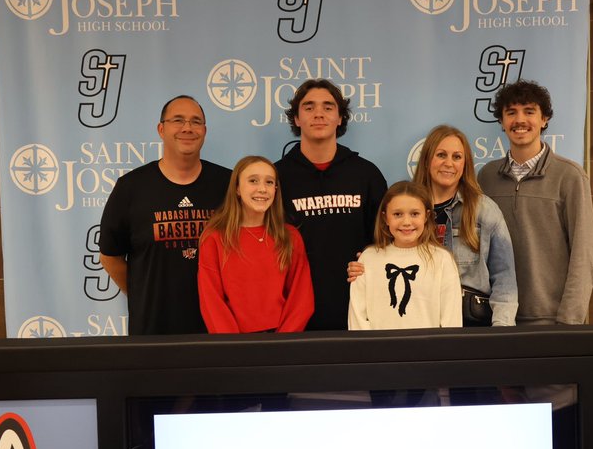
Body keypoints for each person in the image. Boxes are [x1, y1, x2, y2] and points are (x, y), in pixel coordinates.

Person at [349, 125, 518, 327]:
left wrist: (501, 331)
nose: (449, 163)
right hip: (420, 318)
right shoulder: (405, 203)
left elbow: (504, 280)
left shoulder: (484, 210)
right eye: (441, 155)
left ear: (466, 164)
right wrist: (365, 267)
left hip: (470, 321)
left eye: (457, 157)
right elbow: (386, 255)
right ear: (427, 159)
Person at [99, 95, 232, 335]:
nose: (187, 128)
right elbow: (110, 256)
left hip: (217, 331)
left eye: (196, 121)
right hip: (153, 329)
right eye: (178, 120)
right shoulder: (131, 187)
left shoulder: (229, 184)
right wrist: (143, 292)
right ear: (161, 129)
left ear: (204, 130)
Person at [478, 80, 593, 325]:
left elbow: (583, 254)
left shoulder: (570, 176)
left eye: (529, 111)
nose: (520, 120)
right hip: (498, 317)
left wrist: (569, 321)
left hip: (551, 319)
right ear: (502, 121)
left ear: (544, 120)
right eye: (511, 113)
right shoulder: (486, 177)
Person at [276, 79, 387, 331]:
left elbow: (386, 240)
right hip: (293, 310)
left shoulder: (366, 174)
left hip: (358, 308)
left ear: (339, 118)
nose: (318, 113)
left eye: (328, 107)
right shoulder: (276, 177)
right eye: (309, 107)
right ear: (296, 119)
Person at [198, 156, 314, 333]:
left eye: (269, 182)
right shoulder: (214, 238)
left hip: (281, 342)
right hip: (234, 345)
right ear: (237, 188)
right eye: (253, 181)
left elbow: (302, 299)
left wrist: (281, 343)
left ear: (276, 189)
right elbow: (211, 300)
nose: (262, 189)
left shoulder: (289, 236)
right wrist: (234, 347)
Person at [349, 182, 462, 330]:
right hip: (377, 351)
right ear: (385, 218)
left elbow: (451, 320)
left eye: (414, 214)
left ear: (427, 216)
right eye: (397, 214)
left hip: (429, 351)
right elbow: (357, 317)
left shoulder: (442, 260)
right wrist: (372, 351)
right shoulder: (368, 259)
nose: (406, 222)